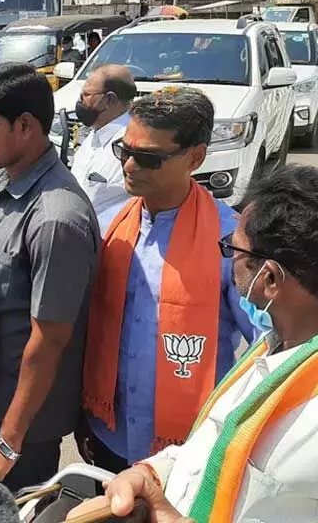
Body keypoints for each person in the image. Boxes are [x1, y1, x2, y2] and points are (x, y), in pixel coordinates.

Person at [69, 164, 318, 522]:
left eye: (233, 249)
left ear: (270, 279)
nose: (228, 258)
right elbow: (210, 450)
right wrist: (150, 474)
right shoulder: (271, 350)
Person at [78, 87, 255, 474]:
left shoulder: (230, 242)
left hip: (188, 450)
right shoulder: (111, 227)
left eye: (148, 158)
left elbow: (269, 348)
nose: (129, 167)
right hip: (109, 434)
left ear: (195, 157)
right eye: (124, 152)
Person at [0, 63, 101, 492]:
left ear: (25, 126)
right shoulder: (10, 183)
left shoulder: (56, 218)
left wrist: (8, 440)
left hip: (17, 429)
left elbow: (49, 339)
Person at [70, 64, 137, 235]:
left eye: (86, 95)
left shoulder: (132, 143)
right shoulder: (95, 132)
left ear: (110, 100)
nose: (79, 101)